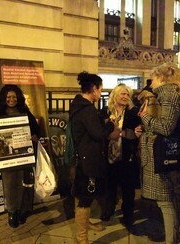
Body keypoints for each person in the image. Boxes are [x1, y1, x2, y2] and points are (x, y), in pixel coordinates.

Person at [135, 63, 180, 244]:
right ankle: (173, 234)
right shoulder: (163, 95)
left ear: (162, 78)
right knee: (167, 198)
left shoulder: (169, 96)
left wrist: (145, 117)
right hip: (158, 154)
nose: (151, 82)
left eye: (153, 78)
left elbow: (166, 127)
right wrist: (143, 127)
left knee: (165, 200)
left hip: (161, 156)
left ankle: (171, 239)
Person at [69, 71, 120, 243]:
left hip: (84, 158)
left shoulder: (80, 106)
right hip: (88, 161)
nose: (100, 93)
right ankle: (81, 237)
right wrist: (111, 124)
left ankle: (85, 224)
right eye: (100, 89)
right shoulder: (87, 109)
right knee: (85, 197)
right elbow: (98, 134)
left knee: (83, 194)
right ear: (93, 88)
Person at [0, 84, 40, 228]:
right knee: (10, 185)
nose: (11, 99)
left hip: (24, 155)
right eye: (8, 97)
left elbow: (36, 130)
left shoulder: (25, 112)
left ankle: (24, 210)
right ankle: (12, 212)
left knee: (25, 183)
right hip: (8, 159)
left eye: (14, 97)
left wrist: (34, 136)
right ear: (4, 99)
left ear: (18, 98)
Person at [99, 83, 141, 228]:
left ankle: (128, 214)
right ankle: (108, 209)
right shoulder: (105, 111)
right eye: (123, 93)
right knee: (109, 185)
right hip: (109, 154)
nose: (125, 97)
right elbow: (99, 131)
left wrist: (122, 133)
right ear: (115, 95)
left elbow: (137, 133)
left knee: (127, 187)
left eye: (128, 94)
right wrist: (108, 134)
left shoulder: (133, 112)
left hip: (126, 154)